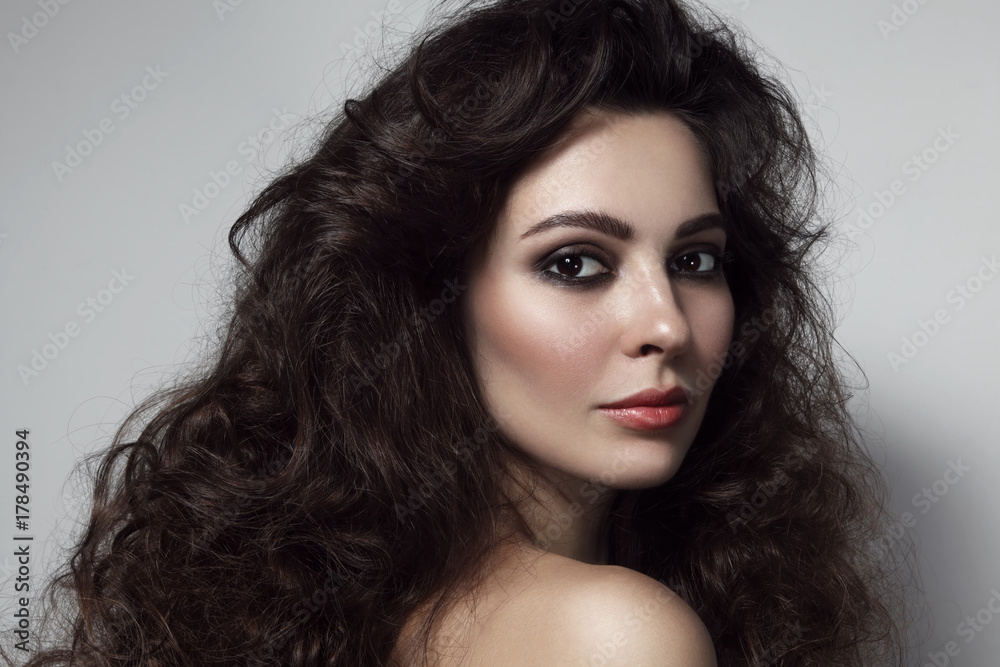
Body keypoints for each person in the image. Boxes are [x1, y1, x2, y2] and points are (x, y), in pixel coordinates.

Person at [17, 0, 916, 664]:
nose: (665, 324)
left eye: (695, 260)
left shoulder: (354, 612)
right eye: (576, 263)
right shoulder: (614, 636)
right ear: (431, 300)